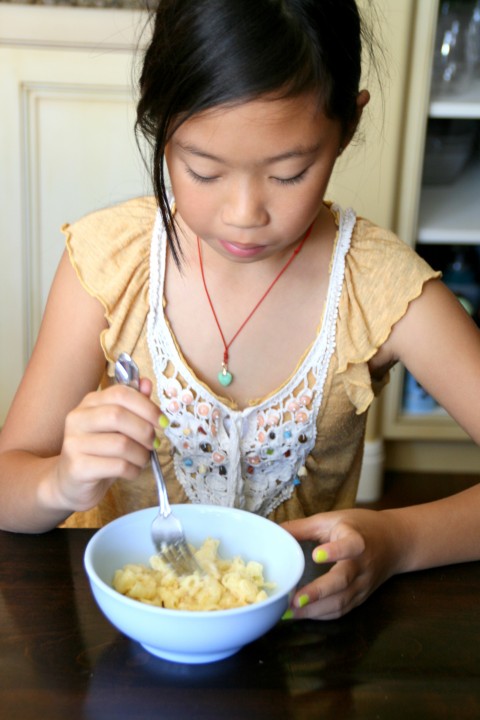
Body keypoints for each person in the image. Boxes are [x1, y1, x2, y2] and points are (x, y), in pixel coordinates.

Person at [0, 0, 479, 621]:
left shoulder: (379, 287)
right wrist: (58, 480)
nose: (244, 214)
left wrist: (399, 541)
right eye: (203, 170)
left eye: (289, 173)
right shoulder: (107, 265)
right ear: (157, 121)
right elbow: (9, 482)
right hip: (118, 633)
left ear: (347, 128)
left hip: (303, 637)